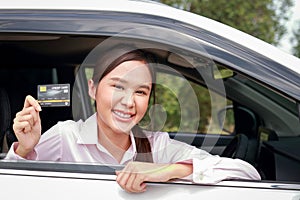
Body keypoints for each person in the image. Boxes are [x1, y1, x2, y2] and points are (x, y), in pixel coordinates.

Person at [5, 45, 261, 193]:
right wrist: (26, 148)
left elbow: (247, 174)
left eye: (140, 91)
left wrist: (168, 170)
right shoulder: (66, 136)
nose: (128, 102)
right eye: (117, 87)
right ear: (93, 89)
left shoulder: (157, 145)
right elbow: (13, 187)